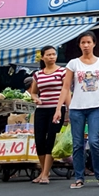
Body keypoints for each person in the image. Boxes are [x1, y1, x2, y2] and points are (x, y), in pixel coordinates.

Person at [53, 31, 99, 189]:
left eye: (88, 42)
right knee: (77, 144)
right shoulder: (73, 64)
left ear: (94, 44)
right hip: (77, 108)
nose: (85, 45)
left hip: (96, 107)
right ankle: (79, 177)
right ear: (79, 45)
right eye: (82, 43)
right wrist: (59, 109)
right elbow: (66, 87)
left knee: (94, 142)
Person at [29, 45, 67, 185]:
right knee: (39, 140)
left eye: (54, 54)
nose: (52, 57)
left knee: (51, 139)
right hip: (41, 110)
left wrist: (63, 109)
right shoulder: (38, 74)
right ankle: (44, 170)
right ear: (43, 57)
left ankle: (45, 174)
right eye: (49, 54)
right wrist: (35, 98)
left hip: (57, 109)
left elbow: (66, 90)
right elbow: (33, 92)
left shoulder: (62, 72)